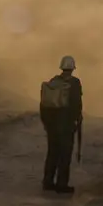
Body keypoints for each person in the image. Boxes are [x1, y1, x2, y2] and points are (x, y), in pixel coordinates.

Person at [39, 55, 83, 194]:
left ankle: (48, 182)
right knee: (65, 155)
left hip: (52, 126)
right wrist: (76, 120)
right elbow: (77, 105)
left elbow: (44, 106)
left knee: (52, 153)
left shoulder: (53, 82)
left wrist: (46, 123)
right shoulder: (74, 83)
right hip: (66, 126)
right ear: (72, 68)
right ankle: (61, 185)